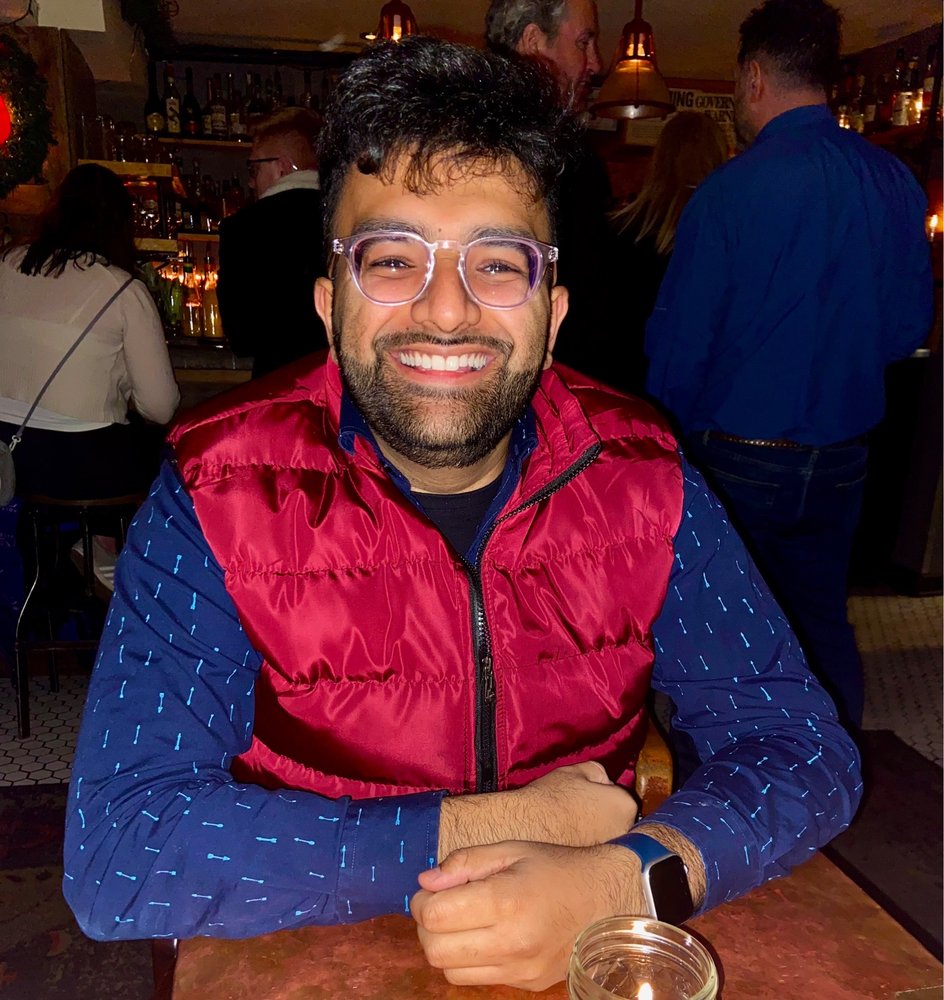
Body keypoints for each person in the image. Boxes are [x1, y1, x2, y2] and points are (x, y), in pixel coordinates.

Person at [63, 38, 861, 992]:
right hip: (316, 956)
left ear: (551, 314)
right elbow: (118, 854)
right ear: (328, 305)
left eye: (498, 263)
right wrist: (502, 826)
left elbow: (804, 750)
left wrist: (629, 877)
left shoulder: (644, 475)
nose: (446, 311)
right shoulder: (217, 487)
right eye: (393, 259)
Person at [644, 0, 933, 733]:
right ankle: (826, 767)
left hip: (738, 455)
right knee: (822, 617)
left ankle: (728, 779)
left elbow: (681, 348)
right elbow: (908, 329)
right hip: (842, 455)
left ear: (753, 77)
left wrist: (662, 445)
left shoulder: (729, 192)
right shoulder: (895, 182)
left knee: (720, 629)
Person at [0, 163, 179, 501]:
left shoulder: (6, 263)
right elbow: (160, 408)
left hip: (6, 449)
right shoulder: (123, 290)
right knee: (168, 453)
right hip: (74, 462)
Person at [485, 0, 620, 382]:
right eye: (583, 42)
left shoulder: (461, 136)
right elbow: (591, 312)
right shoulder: (564, 158)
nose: (595, 63)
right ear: (533, 41)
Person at [610, 111, 729, 394]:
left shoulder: (623, 226)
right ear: (718, 154)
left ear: (660, 156)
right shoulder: (722, 227)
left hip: (623, 372)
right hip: (694, 378)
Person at [217, 107, 328, 379]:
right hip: (340, 385)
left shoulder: (241, 228)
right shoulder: (347, 218)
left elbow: (241, 339)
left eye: (254, 168)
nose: (250, 181)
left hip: (277, 386)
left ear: (282, 167)